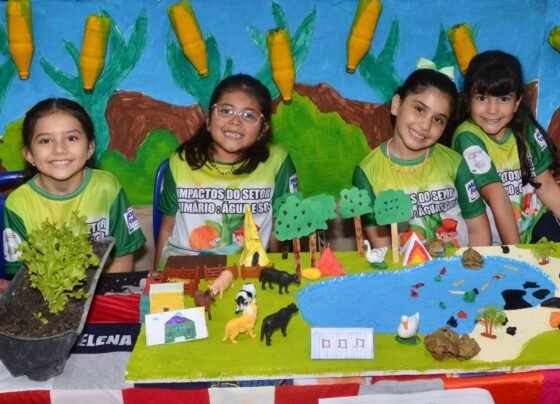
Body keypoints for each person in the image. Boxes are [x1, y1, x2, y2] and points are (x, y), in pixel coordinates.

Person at [155, 74, 297, 268]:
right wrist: (157, 277)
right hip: (184, 265)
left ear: (263, 130)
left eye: (249, 115)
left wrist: (278, 271)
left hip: (248, 268)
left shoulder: (277, 161)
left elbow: (277, 229)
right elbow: (167, 228)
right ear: (208, 119)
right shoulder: (181, 161)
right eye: (226, 111)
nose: (235, 121)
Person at [3, 98, 146, 276]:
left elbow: (123, 259)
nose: (59, 149)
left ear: (90, 148)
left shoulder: (107, 188)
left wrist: (95, 291)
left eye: (71, 138)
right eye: (45, 141)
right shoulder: (17, 204)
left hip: (103, 285)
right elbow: (19, 277)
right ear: (29, 154)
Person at [353, 68, 491, 249]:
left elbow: (478, 230)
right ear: (396, 104)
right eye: (419, 109)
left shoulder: (455, 163)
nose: (425, 125)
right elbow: (383, 248)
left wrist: (474, 265)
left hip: (460, 264)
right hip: (408, 267)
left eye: (438, 119)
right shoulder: (366, 173)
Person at [451, 50, 560, 245]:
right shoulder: (467, 136)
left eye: (503, 99)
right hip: (497, 241)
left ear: (517, 102)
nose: (492, 110)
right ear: (468, 100)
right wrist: (517, 255)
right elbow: (497, 198)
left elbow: (547, 186)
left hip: (534, 224)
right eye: (482, 98)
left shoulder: (525, 126)